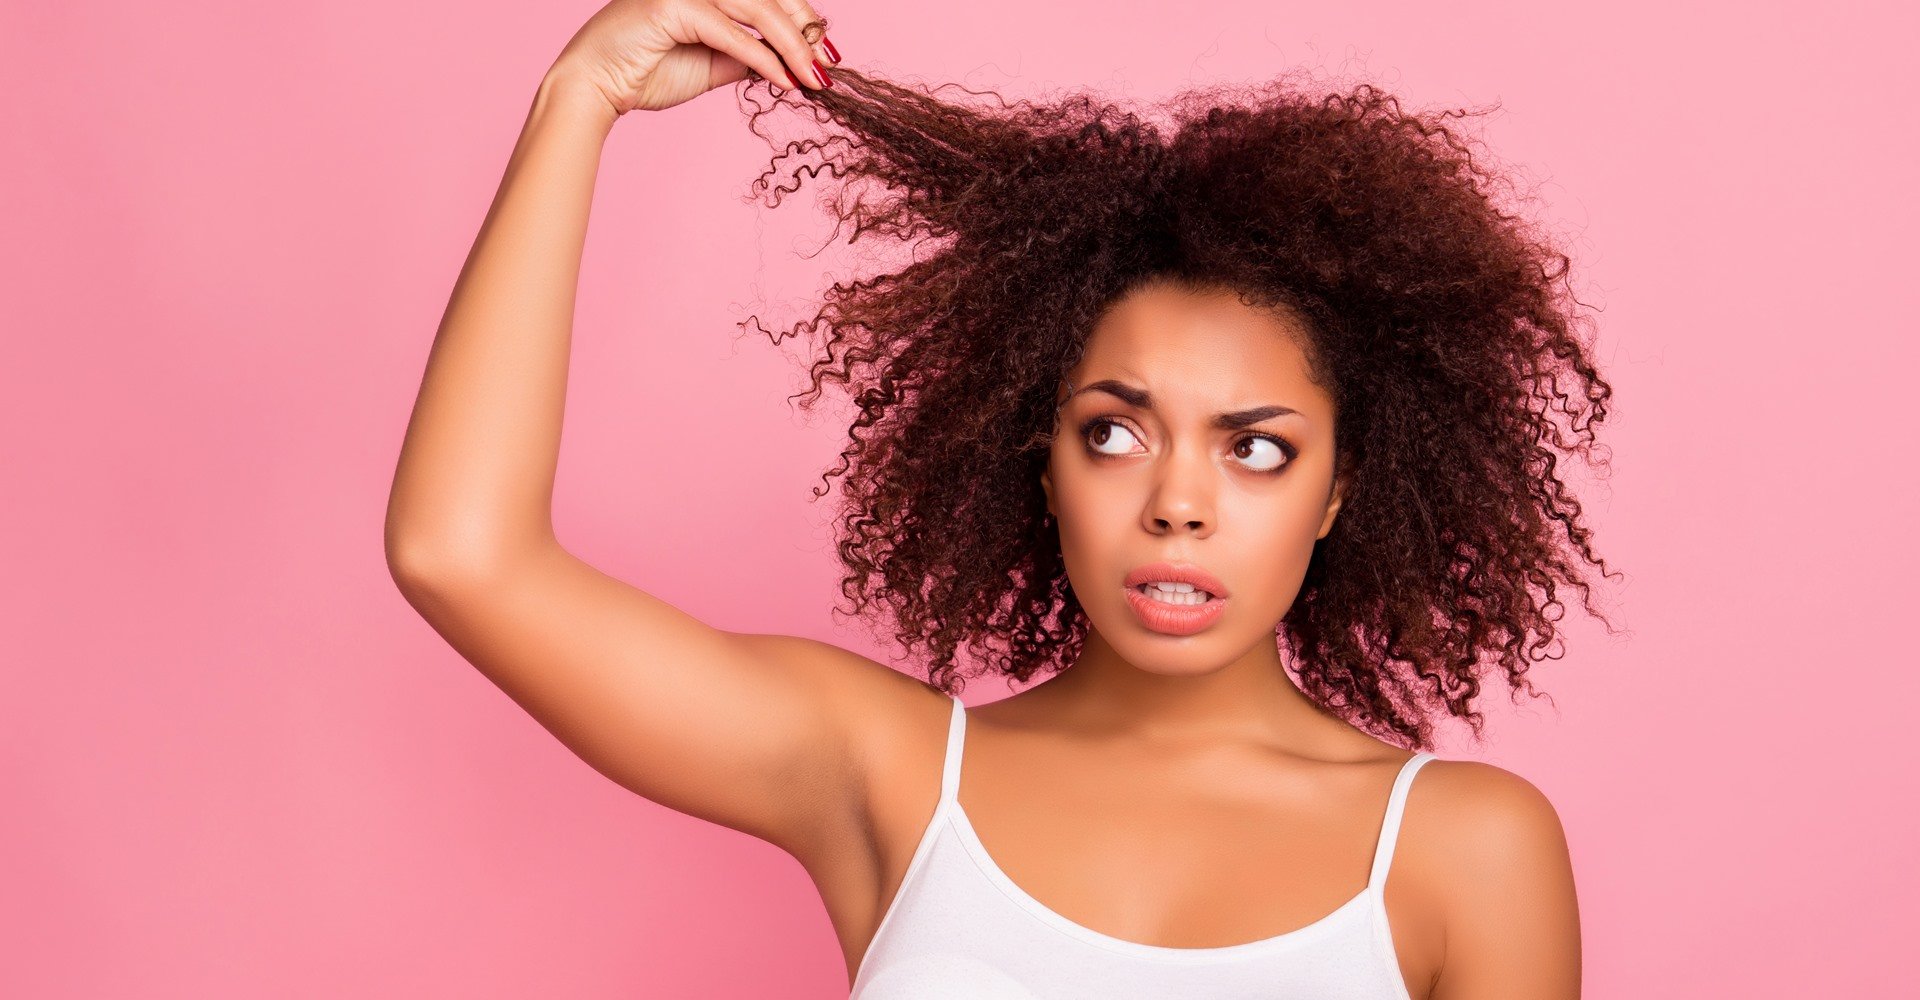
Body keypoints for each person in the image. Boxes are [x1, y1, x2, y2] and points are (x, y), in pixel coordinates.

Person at [386, 0, 1613, 996]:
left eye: (1254, 449)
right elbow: (460, 553)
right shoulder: (889, 775)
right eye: (1115, 432)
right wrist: (580, 97)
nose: (1178, 503)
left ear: (1339, 493)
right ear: (1042, 459)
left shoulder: (1466, 850)